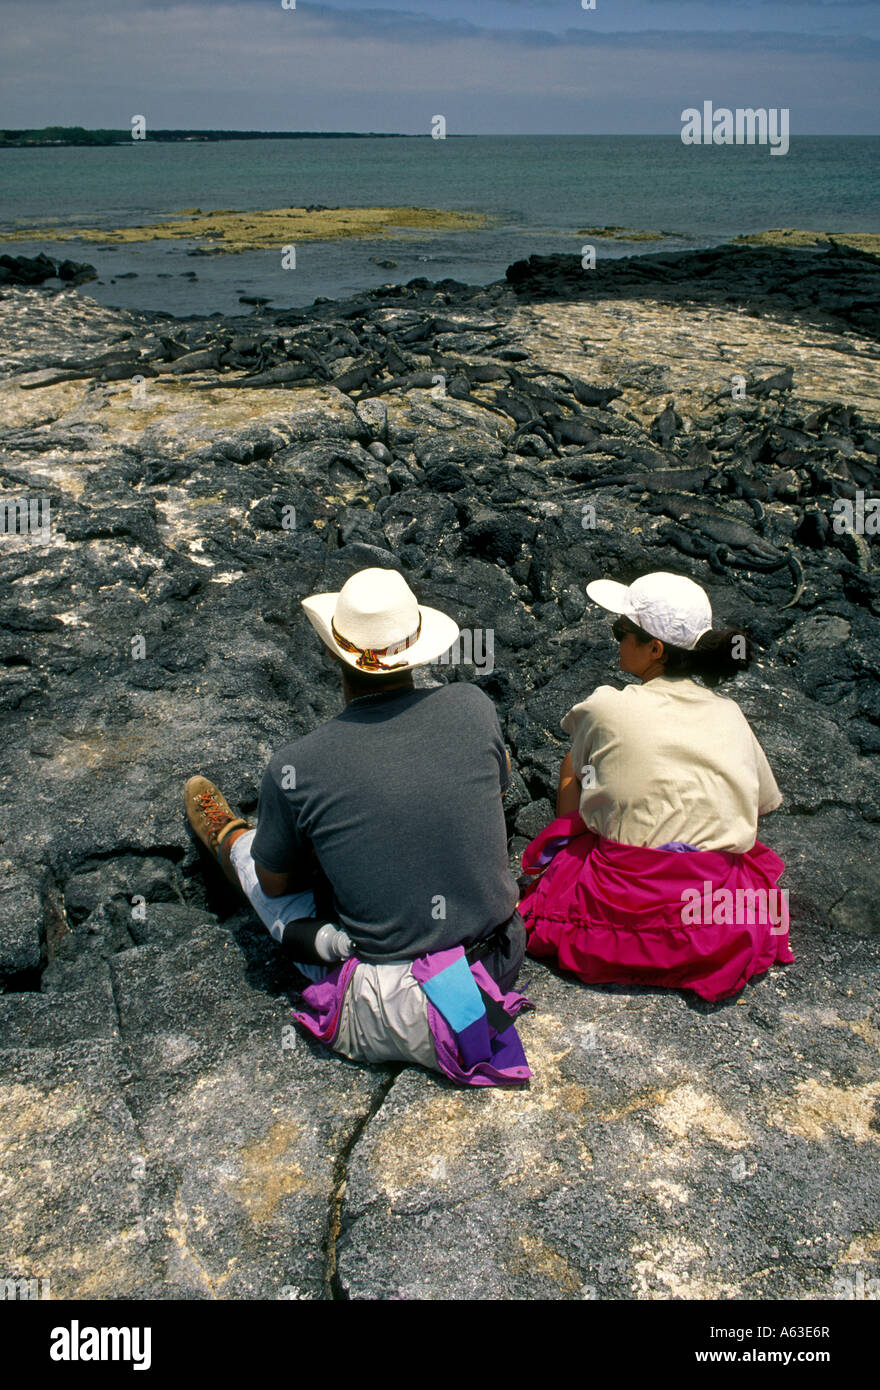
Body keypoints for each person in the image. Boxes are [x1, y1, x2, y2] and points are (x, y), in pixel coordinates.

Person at [185, 567, 531, 1084]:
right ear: (418, 646)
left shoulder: (295, 765)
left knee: (264, 874)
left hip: (397, 999)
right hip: (498, 957)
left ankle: (231, 840)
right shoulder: (474, 705)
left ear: (333, 652)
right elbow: (496, 793)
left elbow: (281, 886)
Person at [519, 571, 794, 1002]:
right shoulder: (730, 712)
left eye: (621, 632)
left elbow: (582, 761)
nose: (616, 640)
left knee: (577, 759)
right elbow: (760, 805)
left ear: (655, 649)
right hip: (713, 922)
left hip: (619, 904)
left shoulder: (606, 705)